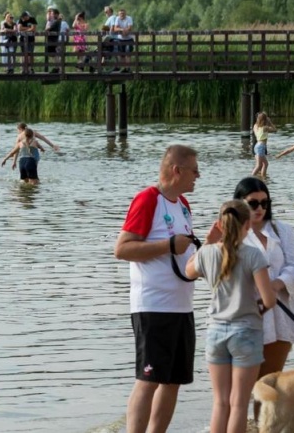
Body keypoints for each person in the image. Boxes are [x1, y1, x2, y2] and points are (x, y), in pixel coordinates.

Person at [114, 145, 201, 433]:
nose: (198, 175)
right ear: (176, 170)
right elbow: (122, 249)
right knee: (149, 379)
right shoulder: (148, 199)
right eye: (194, 170)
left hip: (182, 306)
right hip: (152, 306)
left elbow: (184, 256)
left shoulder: (184, 204)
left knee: (173, 380)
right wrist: (167, 245)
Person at [185, 200, 275, 433]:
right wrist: (257, 308)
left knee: (220, 402)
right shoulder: (254, 255)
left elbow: (188, 271)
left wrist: (208, 240)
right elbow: (269, 300)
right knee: (238, 404)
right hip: (246, 331)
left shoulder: (206, 253)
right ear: (247, 224)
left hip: (215, 331)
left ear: (220, 224)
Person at [231, 177, 294, 421]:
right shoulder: (232, 234)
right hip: (249, 315)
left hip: (282, 312)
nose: (260, 209)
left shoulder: (281, 229)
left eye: (264, 203)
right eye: (253, 203)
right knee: (244, 387)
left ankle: (260, 426)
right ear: (240, 204)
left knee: (271, 383)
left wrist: (277, 282)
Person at [251, 112, 276, 177]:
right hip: (261, 147)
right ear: (264, 120)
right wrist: (270, 122)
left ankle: (263, 178)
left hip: (257, 146)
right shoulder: (265, 128)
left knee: (265, 164)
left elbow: (258, 126)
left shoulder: (256, 127)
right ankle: (251, 177)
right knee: (259, 165)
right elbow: (275, 130)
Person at [111, 9, 135, 73]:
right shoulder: (117, 19)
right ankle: (124, 68)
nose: (122, 15)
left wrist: (125, 30)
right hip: (121, 39)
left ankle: (128, 68)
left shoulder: (129, 18)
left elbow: (130, 27)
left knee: (128, 53)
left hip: (129, 38)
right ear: (118, 14)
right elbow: (115, 28)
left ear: (125, 14)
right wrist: (122, 30)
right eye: (120, 14)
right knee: (122, 54)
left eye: (123, 13)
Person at [44, 7, 63, 73]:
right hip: (52, 39)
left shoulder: (57, 21)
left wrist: (47, 29)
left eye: (52, 14)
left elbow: (48, 29)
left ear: (56, 14)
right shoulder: (57, 21)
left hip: (53, 40)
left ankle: (57, 68)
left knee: (53, 54)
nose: (51, 15)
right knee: (53, 54)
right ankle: (57, 67)